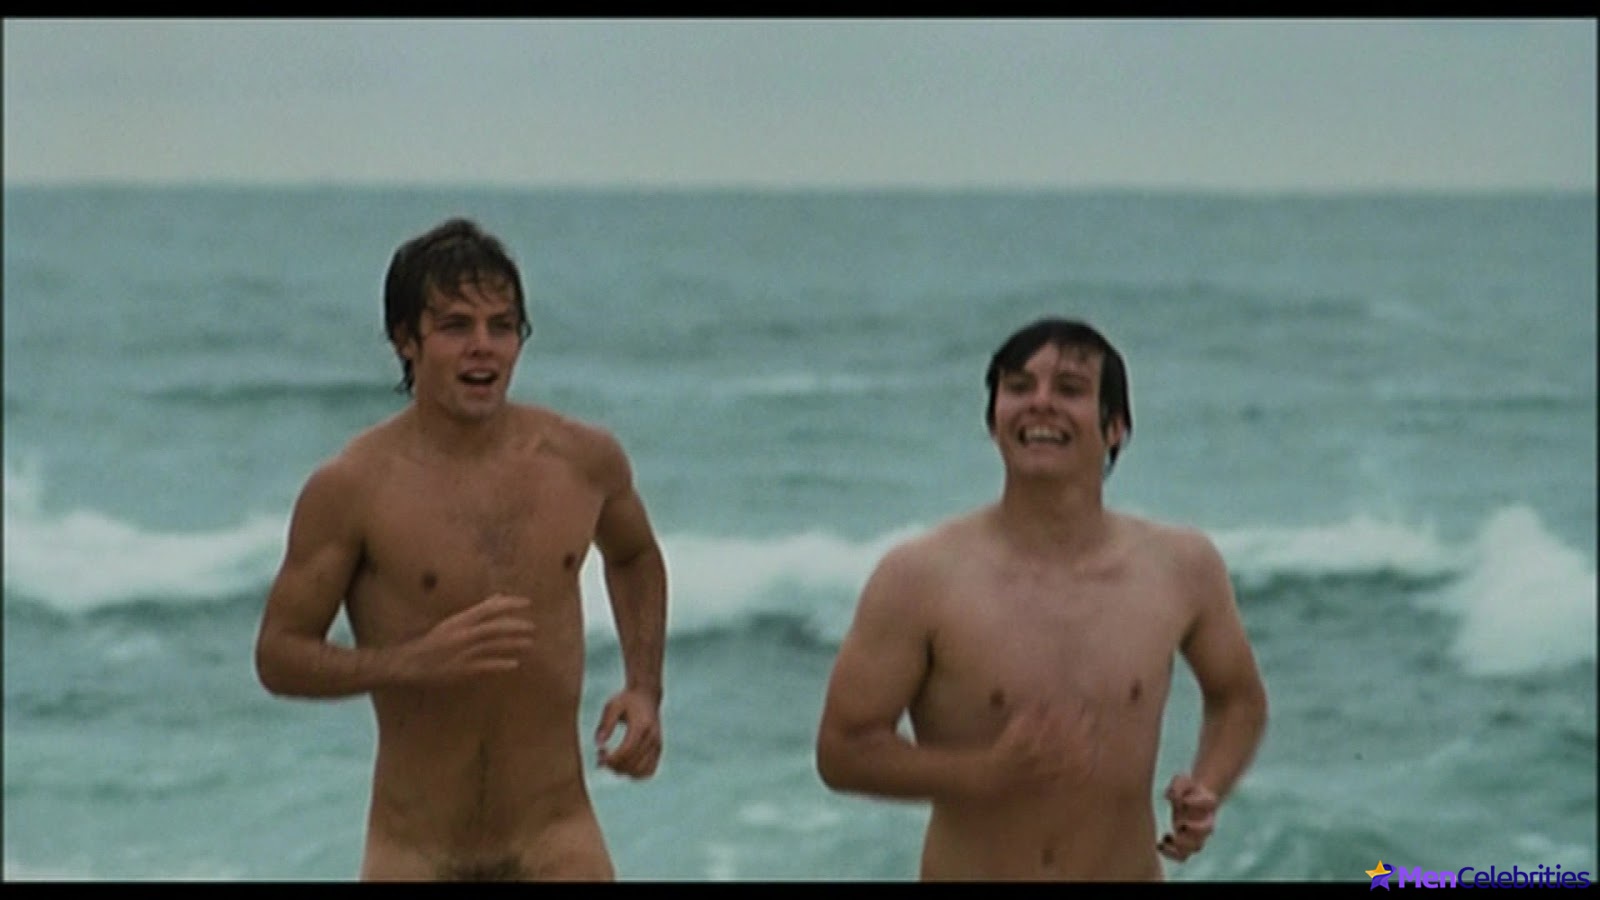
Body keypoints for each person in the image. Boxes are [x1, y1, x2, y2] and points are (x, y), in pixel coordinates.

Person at [254, 217, 667, 881]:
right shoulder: (353, 488)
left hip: (557, 835)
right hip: (415, 851)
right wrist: (411, 662)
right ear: (405, 340)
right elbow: (278, 656)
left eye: (502, 327)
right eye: (455, 327)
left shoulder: (583, 462)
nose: (484, 347)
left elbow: (635, 556)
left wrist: (644, 688)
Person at [814, 316, 1267, 881]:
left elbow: (1238, 699)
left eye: (1070, 390)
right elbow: (843, 750)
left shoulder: (1181, 567)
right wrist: (986, 773)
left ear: (1115, 427)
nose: (1040, 403)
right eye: (1018, 387)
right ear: (993, 420)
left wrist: (1207, 787)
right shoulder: (920, 577)